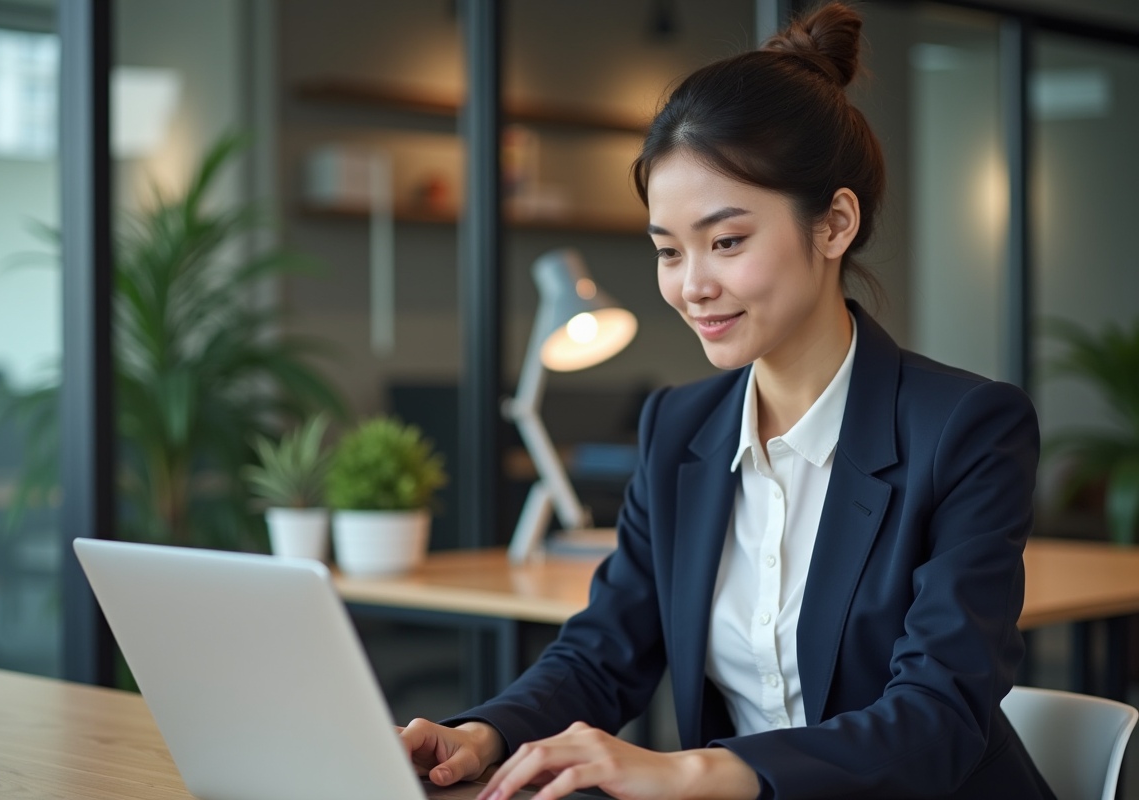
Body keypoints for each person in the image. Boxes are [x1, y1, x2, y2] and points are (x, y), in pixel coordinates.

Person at [399, 4, 1055, 799]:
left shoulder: (966, 430)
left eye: (727, 241)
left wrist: (690, 770)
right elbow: (608, 646)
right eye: (668, 251)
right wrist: (486, 732)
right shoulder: (679, 428)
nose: (692, 285)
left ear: (835, 224)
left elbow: (935, 718)